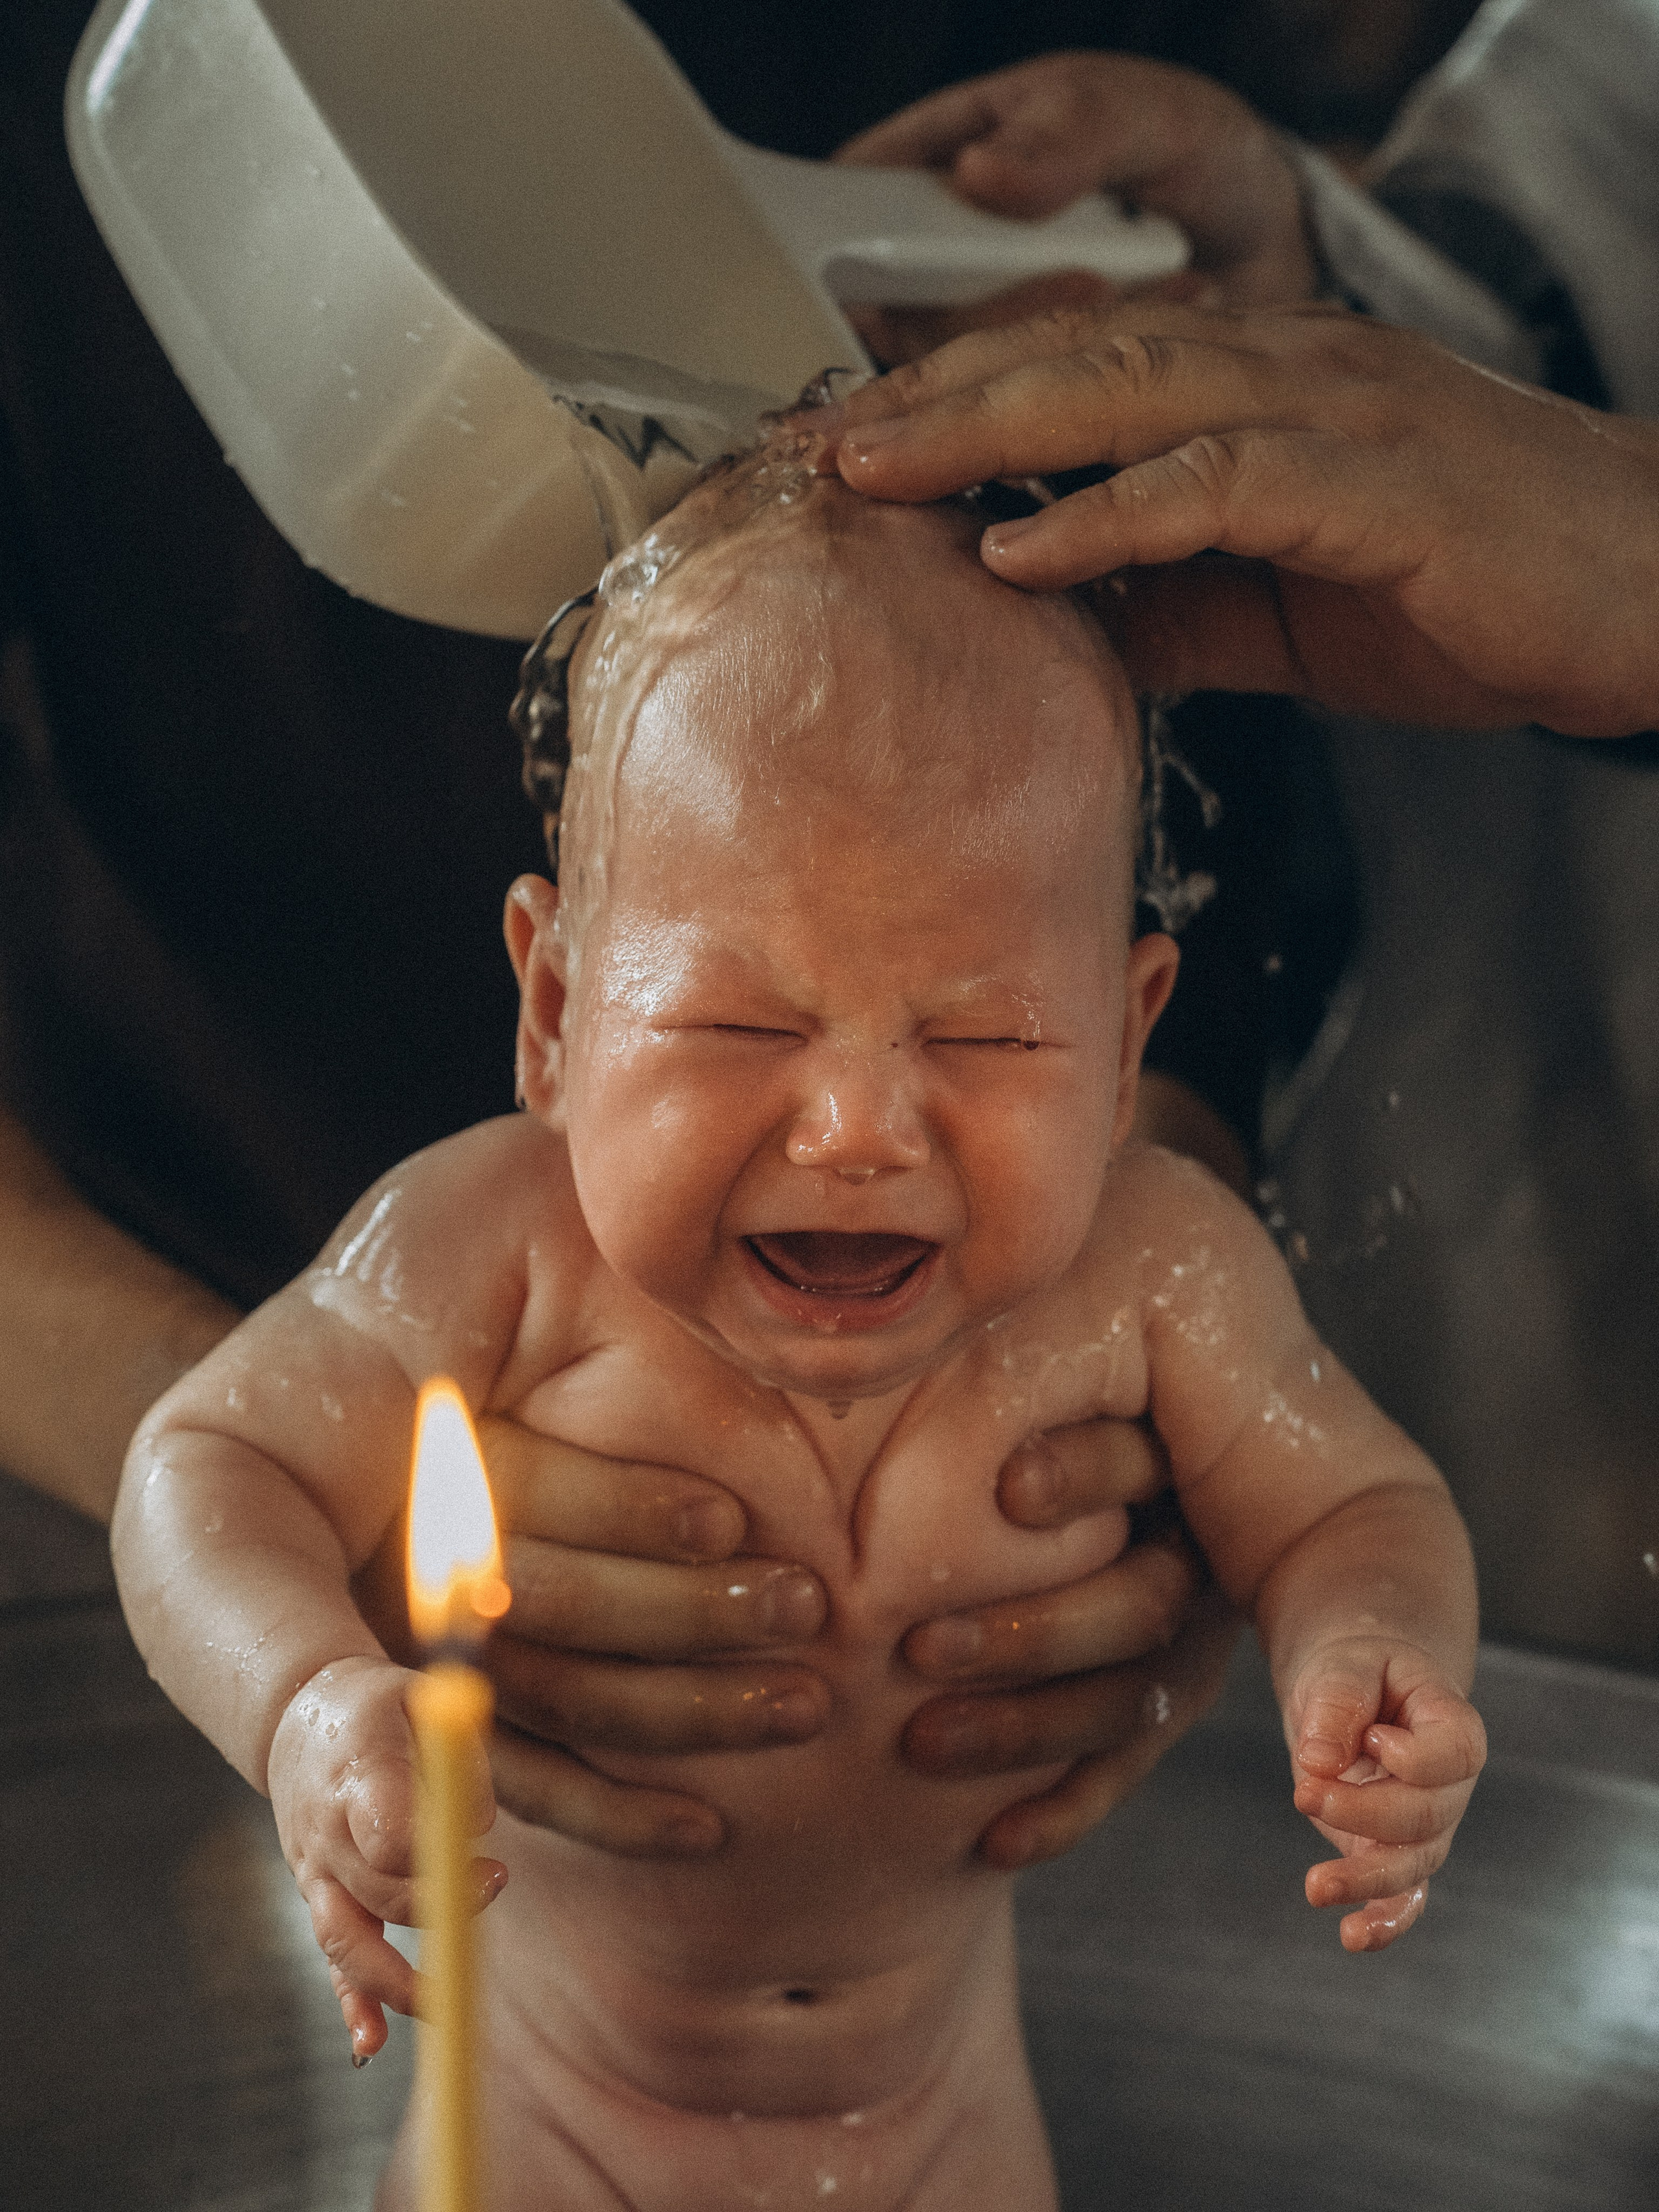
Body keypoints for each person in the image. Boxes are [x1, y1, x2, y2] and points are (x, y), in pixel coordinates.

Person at [113, 450, 1483, 2209]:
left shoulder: (1158, 1275)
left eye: (984, 1041)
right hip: (541, 2116)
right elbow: (204, 1468)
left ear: (1134, 1039)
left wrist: (1371, 1657)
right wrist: (307, 1702)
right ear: (552, 1009)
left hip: (939, 2125)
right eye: (740, 1024)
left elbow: (1356, 1506)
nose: (858, 1128)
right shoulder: (494, 1246)